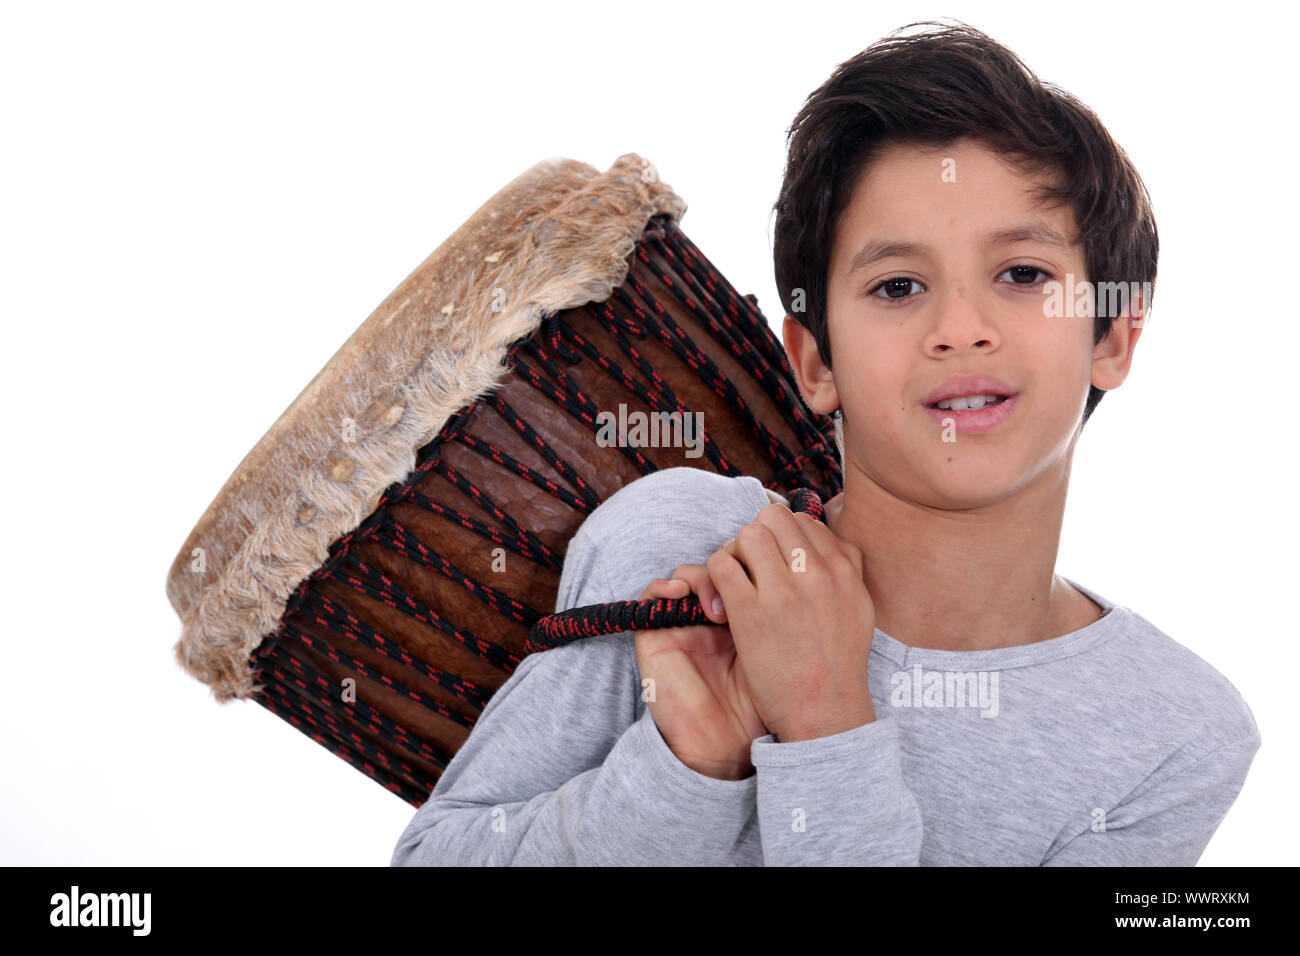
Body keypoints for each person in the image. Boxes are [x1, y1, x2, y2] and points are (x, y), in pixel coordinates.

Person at [390, 21, 1260, 866]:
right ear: (814, 361)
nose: (960, 328)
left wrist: (828, 719)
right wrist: (684, 766)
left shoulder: (1177, 737)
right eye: (898, 285)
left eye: (1023, 275)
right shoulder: (680, 543)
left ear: (1111, 337)